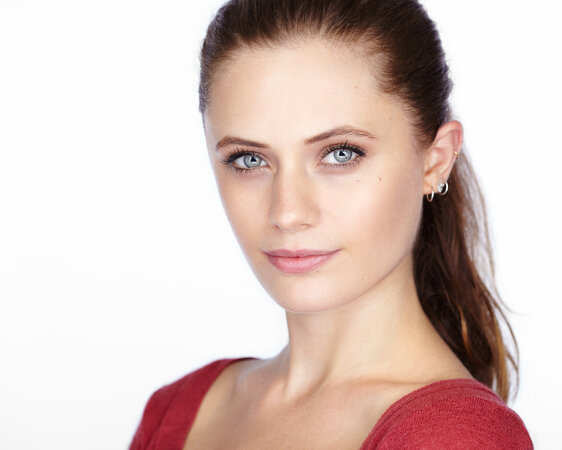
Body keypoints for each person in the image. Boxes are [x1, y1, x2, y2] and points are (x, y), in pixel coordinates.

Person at [130, 0, 533, 448]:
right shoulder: (179, 410)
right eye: (249, 160)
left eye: (341, 154)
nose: (287, 212)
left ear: (435, 161)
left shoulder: (454, 437)